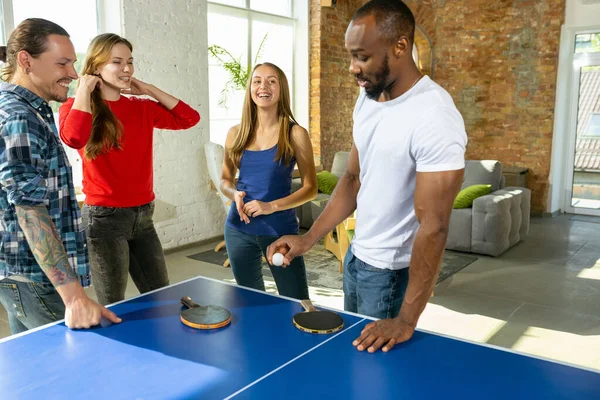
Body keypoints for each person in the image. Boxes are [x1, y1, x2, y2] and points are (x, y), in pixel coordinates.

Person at [267, 0, 467, 353]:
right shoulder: (368, 99)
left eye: (362, 57)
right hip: (357, 258)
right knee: (356, 362)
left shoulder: (434, 115)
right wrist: (308, 239)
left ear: (400, 47)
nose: (352, 68)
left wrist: (406, 319)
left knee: (377, 377)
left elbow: (434, 226)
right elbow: (353, 180)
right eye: (351, 56)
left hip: (391, 274)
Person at [58, 33, 200, 305]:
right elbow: (73, 137)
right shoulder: (75, 107)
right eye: (117, 62)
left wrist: (148, 89)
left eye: (130, 62)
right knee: (113, 302)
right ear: (97, 67)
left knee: (161, 296)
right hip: (104, 219)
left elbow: (189, 118)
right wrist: (83, 92)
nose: (127, 69)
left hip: (144, 214)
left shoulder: (142, 108)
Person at [0, 18, 121, 333]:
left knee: (32, 369)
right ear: (26, 61)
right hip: (36, 277)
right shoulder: (20, 117)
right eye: (63, 63)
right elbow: (29, 212)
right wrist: (74, 298)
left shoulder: (23, 109)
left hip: (20, 274)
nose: (73, 73)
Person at [220, 62, 317, 300]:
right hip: (238, 230)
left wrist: (271, 206)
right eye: (257, 81)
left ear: (281, 89)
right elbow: (225, 179)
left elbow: (310, 188)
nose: (263, 86)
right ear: (251, 89)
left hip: (279, 231)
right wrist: (233, 194)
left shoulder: (295, 134)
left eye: (271, 81)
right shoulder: (236, 133)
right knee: (251, 303)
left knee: (297, 303)